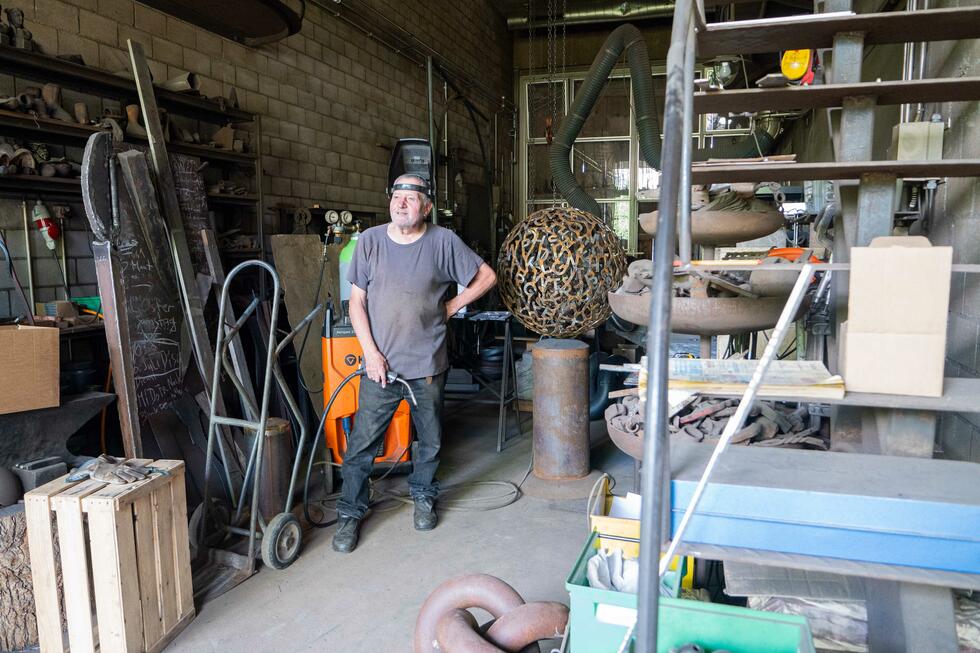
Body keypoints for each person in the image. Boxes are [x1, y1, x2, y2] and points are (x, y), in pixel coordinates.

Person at [332, 174, 497, 553]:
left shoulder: (443, 241)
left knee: (431, 439)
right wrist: (371, 354)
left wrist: (454, 305)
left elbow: (486, 276)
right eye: (396, 196)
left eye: (411, 197)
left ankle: (423, 496)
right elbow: (356, 303)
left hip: (426, 364)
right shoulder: (370, 241)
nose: (401, 203)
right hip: (381, 367)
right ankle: (349, 514)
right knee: (360, 445)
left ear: (426, 207)